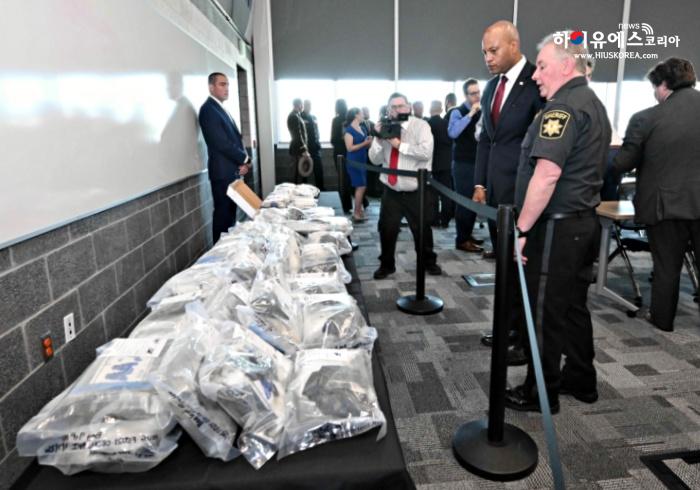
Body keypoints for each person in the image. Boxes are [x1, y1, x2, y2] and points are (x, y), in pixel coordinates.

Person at [505, 33, 611, 414]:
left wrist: (521, 229)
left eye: (542, 66)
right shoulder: (593, 103)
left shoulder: (562, 108)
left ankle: (540, 392)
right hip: (582, 224)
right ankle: (581, 378)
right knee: (572, 306)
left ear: (567, 66)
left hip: (556, 228)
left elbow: (547, 175)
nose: (535, 75)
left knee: (545, 310)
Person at [613, 57, 700, 332]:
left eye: (654, 87)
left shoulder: (646, 118)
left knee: (666, 266)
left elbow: (623, 163)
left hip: (665, 206)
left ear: (663, 84)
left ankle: (662, 320)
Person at [473, 20, 544, 259]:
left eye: (493, 51)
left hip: (523, 191)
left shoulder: (537, 82)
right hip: (494, 191)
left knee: (522, 260)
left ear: (514, 45)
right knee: (502, 258)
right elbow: (487, 139)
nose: (488, 58)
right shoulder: (491, 86)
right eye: (484, 53)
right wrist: (480, 183)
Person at [369, 93, 441, 279]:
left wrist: (399, 145)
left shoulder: (421, 126)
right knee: (386, 229)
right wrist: (378, 139)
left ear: (408, 107)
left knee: (422, 230)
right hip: (391, 190)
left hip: (416, 190)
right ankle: (386, 265)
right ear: (388, 110)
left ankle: (428, 262)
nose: (397, 110)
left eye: (401, 106)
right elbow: (375, 160)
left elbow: (425, 153)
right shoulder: (385, 128)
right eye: (393, 107)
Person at [198, 72, 250, 243]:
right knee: (223, 217)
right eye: (222, 84)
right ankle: (219, 253)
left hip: (231, 172)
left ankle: (228, 251)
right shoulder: (208, 110)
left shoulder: (220, 108)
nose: (226, 88)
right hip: (222, 174)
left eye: (227, 84)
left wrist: (242, 164)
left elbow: (234, 140)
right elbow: (221, 143)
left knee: (230, 218)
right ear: (211, 87)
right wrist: (244, 159)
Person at [448, 79, 484, 253]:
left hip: (478, 162)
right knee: (464, 202)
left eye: (478, 92)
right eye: (473, 93)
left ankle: (467, 234)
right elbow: (453, 132)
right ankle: (461, 239)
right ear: (465, 95)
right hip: (462, 163)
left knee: (474, 200)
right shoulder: (457, 112)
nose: (477, 96)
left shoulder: (483, 111)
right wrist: (470, 114)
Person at [427, 100, 454, 228]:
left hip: (432, 163)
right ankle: (445, 220)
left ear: (430, 109)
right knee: (446, 193)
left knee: (432, 194)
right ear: (442, 110)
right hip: (447, 163)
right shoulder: (447, 124)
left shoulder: (427, 124)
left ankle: (434, 219)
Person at [343, 108, 372, 222]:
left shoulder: (363, 128)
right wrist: (364, 143)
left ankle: (358, 211)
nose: (363, 115)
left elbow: (366, 145)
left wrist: (368, 142)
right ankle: (356, 213)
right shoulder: (349, 130)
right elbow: (350, 148)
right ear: (356, 115)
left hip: (362, 160)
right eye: (361, 113)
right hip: (354, 161)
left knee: (362, 186)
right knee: (361, 186)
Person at [331, 99, 352, 213]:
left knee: (342, 180)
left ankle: (345, 205)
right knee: (348, 178)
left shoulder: (336, 120)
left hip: (339, 152)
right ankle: (354, 203)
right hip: (350, 152)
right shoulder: (350, 120)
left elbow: (333, 140)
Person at [301, 99, 325, 190]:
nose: (309, 106)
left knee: (319, 170)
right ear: (303, 105)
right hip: (305, 149)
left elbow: (317, 131)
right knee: (304, 171)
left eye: (310, 105)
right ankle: (304, 191)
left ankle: (320, 189)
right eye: (307, 105)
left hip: (315, 148)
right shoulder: (300, 116)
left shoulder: (314, 117)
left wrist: (318, 141)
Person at [287, 98, 309, 184]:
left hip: (298, 149)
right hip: (297, 150)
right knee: (297, 175)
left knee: (300, 175)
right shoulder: (293, 116)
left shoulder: (297, 115)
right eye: (302, 104)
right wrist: (304, 150)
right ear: (299, 104)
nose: (303, 106)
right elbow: (297, 135)